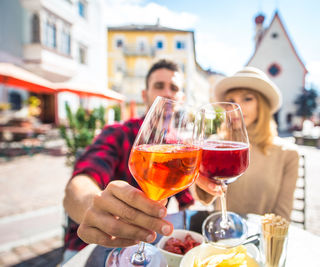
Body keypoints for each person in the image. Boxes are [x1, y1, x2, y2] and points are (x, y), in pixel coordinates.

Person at [62, 59, 218, 262]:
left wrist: (203, 184)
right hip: (91, 246)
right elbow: (78, 186)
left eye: (174, 88)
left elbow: (186, 203)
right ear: (145, 95)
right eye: (159, 86)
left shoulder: (180, 149)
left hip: (147, 243)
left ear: (181, 97)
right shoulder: (119, 133)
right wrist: (91, 204)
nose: (167, 93)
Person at [194, 66, 300, 221]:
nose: (237, 108)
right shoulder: (216, 146)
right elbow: (205, 198)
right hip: (220, 235)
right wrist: (198, 176)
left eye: (247, 98)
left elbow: (282, 217)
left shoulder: (287, 154)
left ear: (262, 105)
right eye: (231, 101)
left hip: (260, 239)